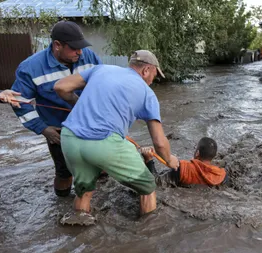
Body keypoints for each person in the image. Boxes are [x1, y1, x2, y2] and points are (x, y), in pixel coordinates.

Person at [54, 50, 178, 220]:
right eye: (154, 76)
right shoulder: (147, 93)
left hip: (69, 139)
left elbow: (60, 87)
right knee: (148, 186)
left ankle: (80, 236)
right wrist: (170, 160)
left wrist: (78, 104)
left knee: (84, 192)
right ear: (146, 70)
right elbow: (159, 143)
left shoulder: (101, 69)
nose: (152, 81)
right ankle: (150, 234)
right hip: (104, 143)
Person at [11, 21, 102, 197]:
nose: (80, 52)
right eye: (74, 48)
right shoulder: (30, 68)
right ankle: (61, 204)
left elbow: (102, 85)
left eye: (81, 47)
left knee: (99, 163)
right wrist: (43, 129)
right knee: (64, 173)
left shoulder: (89, 57)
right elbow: (20, 102)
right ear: (57, 45)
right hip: (59, 130)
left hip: (91, 123)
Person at [141, 137, 228, 187]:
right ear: (213, 156)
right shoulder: (222, 175)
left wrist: (148, 160)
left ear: (197, 153)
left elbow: (155, 183)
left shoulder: (183, 169)